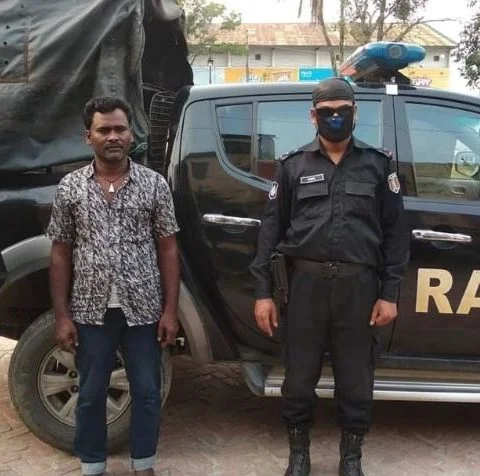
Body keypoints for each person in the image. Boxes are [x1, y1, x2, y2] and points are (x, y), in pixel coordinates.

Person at [250, 77, 409, 476]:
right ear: (313, 116)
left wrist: (390, 293)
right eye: (327, 112)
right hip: (304, 288)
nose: (335, 118)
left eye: (343, 111)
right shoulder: (292, 166)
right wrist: (263, 293)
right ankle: (298, 455)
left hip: (359, 290)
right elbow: (270, 232)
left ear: (356, 113)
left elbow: (396, 233)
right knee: (298, 380)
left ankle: (351, 458)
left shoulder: (378, 165)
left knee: (356, 380)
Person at [47, 96, 180, 476]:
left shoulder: (153, 185)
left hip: (144, 310)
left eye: (120, 129)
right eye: (104, 130)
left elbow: (168, 249)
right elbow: (60, 253)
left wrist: (170, 310)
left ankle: (143, 464)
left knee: (148, 392)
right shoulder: (71, 187)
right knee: (90, 394)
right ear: (88, 136)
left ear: (131, 134)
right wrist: (62, 316)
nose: (113, 136)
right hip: (90, 311)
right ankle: (92, 465)